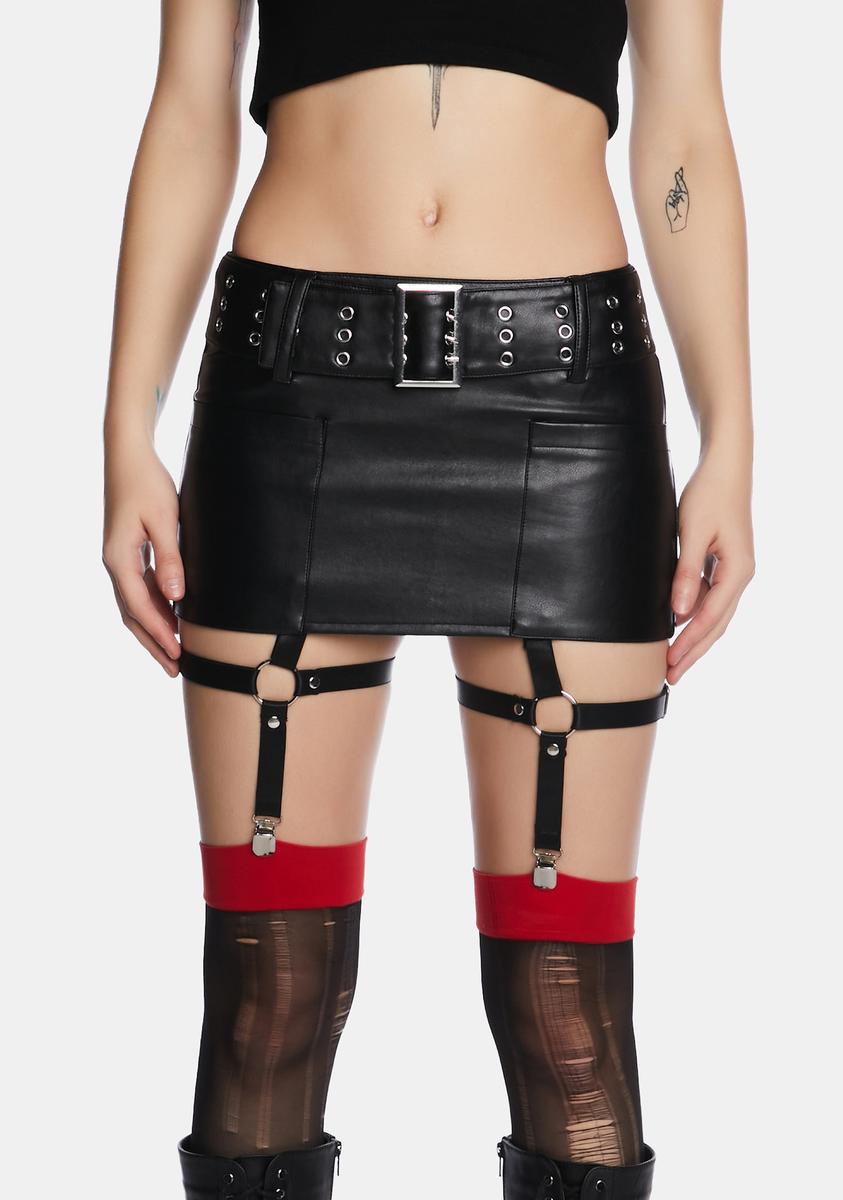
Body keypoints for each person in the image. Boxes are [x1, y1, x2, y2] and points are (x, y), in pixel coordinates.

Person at [101, 2, 755, 1197]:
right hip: (289, 386)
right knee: (266, 1001)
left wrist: (732, 442)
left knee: (568, 1017)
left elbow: (685, 132)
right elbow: (191, 109)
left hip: (568, 400)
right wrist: (124, 432)